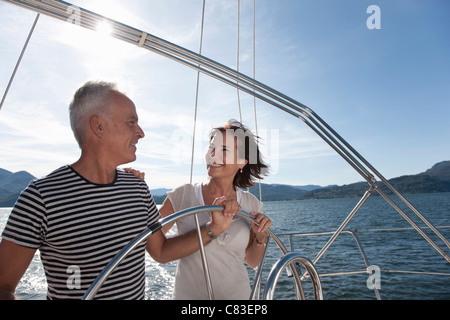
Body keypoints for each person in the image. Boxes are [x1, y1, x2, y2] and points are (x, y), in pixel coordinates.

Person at [0, 81, 239, 300]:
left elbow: (161, 251)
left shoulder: (136, 187)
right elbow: (3, 286)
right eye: (131, 123)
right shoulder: (40, 197)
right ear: (99, 126)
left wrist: (213, 229)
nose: (141, 133)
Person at [158, 119, 272, 300]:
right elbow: (151, 245)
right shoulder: (182, 195)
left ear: (242, 162)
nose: (213, 155)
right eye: (211, 148)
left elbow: (251, 261)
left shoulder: (251, 204)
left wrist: (260, 237)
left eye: (224, 150)